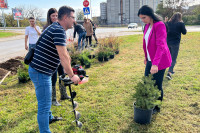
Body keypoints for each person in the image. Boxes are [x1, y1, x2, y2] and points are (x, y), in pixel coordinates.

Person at [28, 6, 80, 133]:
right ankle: (45, 130)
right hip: (40, 72)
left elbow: (65, 53)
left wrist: (70, 67)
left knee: (46, 99)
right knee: (44, 106)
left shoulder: (56, 28)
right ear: (65, 17)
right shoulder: (58, 30)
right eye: (73, 17)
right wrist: (72, 76)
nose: (74, 20)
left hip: (43, 70)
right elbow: (62, 56)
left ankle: (49, 117)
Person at [138, 5, 172, 114]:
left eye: (144, 17)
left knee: (157, 84)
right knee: (147, 81)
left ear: (150, 15)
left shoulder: (159, 25)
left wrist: (155, 64)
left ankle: (157, 107)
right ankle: (148, 102)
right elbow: (146, 43)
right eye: (141, 18)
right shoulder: (147, 26)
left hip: (160, 61)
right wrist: (146, 57)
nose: (142, 20)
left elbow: (161, 45)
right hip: (150, 59)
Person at [43, 8, 71, 106]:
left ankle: (64, 94)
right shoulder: (48, 27)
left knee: (62, 75)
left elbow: (62, 44)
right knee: (53, 78)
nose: (54, 17)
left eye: (56, 15)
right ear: (49, 17)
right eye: (52, 16)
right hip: (52, 59)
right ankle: (53, 99)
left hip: (59, 58)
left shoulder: (60, 27)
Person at [166, 12, 187, 80]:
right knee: (173, 58)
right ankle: (169, 73)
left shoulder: (168, 23)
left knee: (169, 57)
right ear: (180, 17)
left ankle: (169, 69)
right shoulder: (181, 23)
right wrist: (183, 24)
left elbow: (165, 30)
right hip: (175, 43)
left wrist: (166, 22)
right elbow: (184, 32)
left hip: (168, 42)